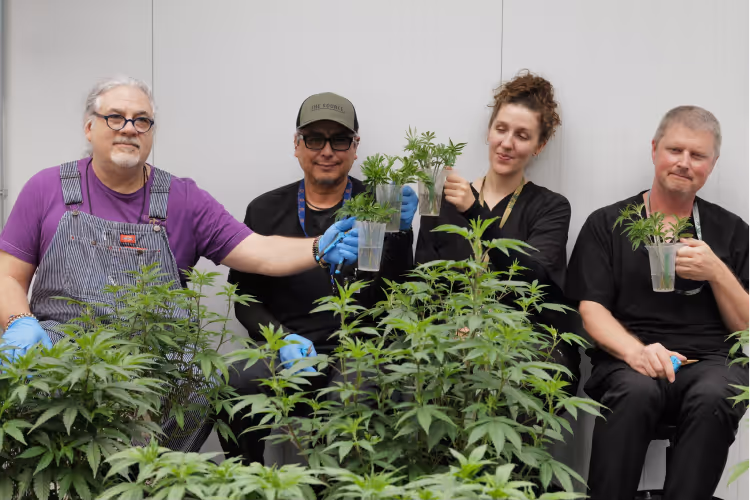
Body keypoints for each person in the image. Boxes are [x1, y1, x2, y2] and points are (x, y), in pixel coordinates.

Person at [0, 77, 359, 453]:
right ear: (89, 127)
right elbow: (8, 275)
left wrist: (318, 247)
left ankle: (157, 481)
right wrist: (19, 322)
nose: (129, 129)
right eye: (115, 117)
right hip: (67, 349)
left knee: (200, 381)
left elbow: (258, 250)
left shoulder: (182, 198)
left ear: (151, 133)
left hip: (160, 361)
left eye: (142, 120)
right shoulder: (47, 188)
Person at [218, 92, 416, 465]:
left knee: (353, 401)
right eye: (314, 139)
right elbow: (245, 297)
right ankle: (248, 481)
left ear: (355, 148)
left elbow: (399, 292)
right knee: (234, 383)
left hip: (358, 352)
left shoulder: (378, 202)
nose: (327, 150)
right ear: (296, 145)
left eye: (339, 139)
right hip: (286, 347)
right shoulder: (265, 209)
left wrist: (402, 232)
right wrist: (280, 339)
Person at [566, 105, 750, 500]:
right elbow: (591, 310)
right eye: (675, 150)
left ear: (711, 165)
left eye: (697, 155)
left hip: (710, 362)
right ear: (654, 150)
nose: (684, 163)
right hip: (628, 359)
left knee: (718, 395)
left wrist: (717, 271)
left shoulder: (731, 230)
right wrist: (636, 352)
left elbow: (746, 328)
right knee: (635, 393)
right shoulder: (607, 223)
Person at [415, 71, 581, 391]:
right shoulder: (444, 196)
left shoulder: (551, 206)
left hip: (526, 340)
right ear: (488, 132)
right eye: (501, 129)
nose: (507, 143)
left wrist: (473, 210)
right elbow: (424, 278)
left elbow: (536, 276)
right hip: (453, 334)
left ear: (539, 145)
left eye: (522, 135)